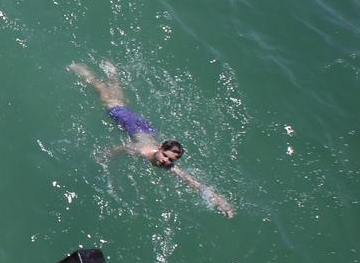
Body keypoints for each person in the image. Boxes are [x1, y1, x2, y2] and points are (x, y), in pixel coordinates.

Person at [69, 62, 236, 218]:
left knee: (121, 101)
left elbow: (192, 182)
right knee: (107, 98)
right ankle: (82, 70)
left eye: (170, 159)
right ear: (160, 149)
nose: (166, 161)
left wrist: (220, 201)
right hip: (131, 124)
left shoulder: (169, 165)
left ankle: (114, 75)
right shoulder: (143, 151)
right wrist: (107, 156)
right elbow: (123, 148)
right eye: (166, 156)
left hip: (148, 130)